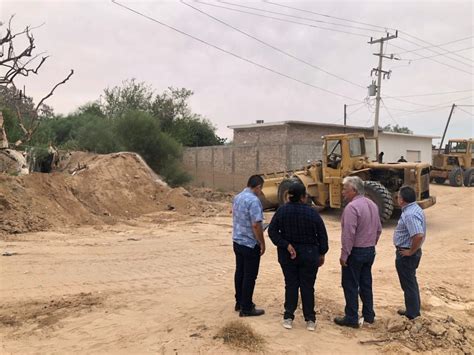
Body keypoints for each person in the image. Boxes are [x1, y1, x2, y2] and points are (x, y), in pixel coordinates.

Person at [268, 182, 328, 331]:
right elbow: (322, 236)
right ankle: (310, 319)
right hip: (309, 255)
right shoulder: (312, 213)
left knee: (291, 285)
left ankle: (288, 316)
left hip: (288, 256)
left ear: (289, 196)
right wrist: (322, 253)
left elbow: (272, 232)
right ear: (303, 197)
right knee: (308, 286)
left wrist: (285, 244)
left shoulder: (282, 211)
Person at [334, 176, 382, 328]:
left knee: (350, 284)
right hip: (369, 251)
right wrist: (371, 244)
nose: (343, 193)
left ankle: (351, 317)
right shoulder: (372, 204)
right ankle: (368, 315)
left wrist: (344, 254)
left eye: (345, 190)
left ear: (354, 191)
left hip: (355, 252)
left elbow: (348, 234)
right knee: (366, 283)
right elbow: (379, 229)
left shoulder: (352, 208)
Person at [232, 174, 266, 317]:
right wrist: (262, 243)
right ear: (257, 187)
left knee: (240, 272)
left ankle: (239, 302)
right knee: (250, 276)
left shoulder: (238, 197)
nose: (261, 192)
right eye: (261, 189)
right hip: (250, 244)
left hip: (237, 241)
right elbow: (256, 224)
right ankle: (246, 308)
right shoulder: (254, 201)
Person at [393, 185, 426, 319]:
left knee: (408, 283)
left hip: (406, 254)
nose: (397, 199)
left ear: (402, 200)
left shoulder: (410, 214)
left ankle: (412, 313)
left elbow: (418, 235)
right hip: (409, 252)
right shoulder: (414, 208)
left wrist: (411, 251)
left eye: (398, 196)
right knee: (410, 282)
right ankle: (412, 309)